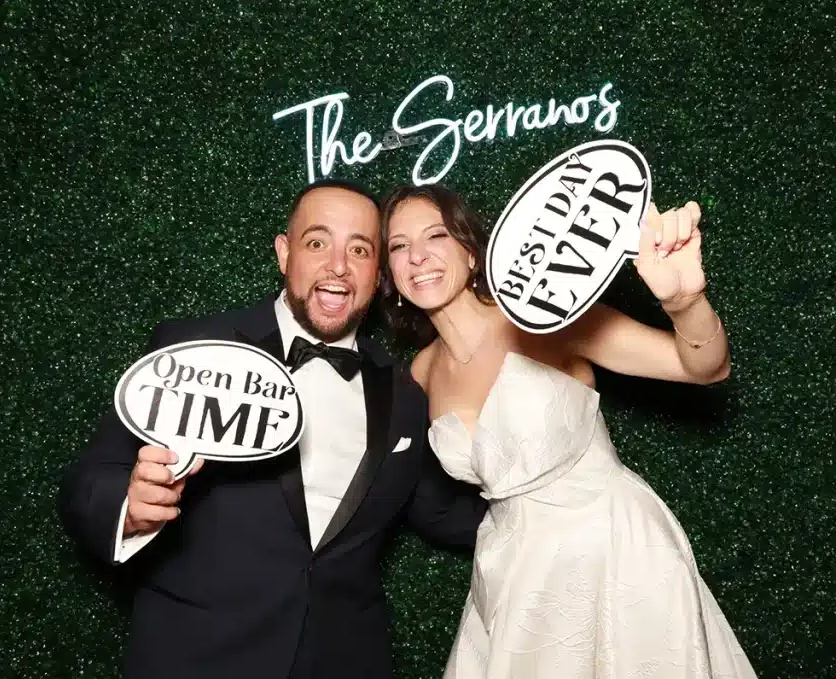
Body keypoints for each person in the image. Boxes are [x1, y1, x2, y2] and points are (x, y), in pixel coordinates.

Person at [56, 179, 487, 679]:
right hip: (198, 657)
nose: (338, 266)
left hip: (344, 660)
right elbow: (89, 479)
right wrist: (130, 507)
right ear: (285, 253)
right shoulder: (196, 346)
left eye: (360, 249)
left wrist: (545, 511)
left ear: (378, 273)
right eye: (317, 242)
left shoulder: (406, 390)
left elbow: (437, 509)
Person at [379, 183, 759, 678]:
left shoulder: (545, 317)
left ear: (471, 252)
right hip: (511, 572)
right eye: (399, 246)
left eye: (436, 236)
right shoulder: (422, 372)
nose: (418, 256)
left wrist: (686, 302)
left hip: (612, 555)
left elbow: (703, 367)